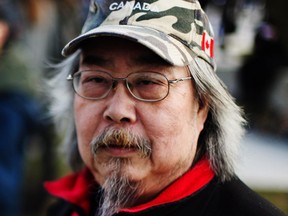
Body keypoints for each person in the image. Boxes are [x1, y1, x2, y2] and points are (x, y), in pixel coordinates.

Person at [44, 0, 285, 215]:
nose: (117, 111)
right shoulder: (67, 208)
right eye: (96, 80)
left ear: (202, 107)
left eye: (148, 82)